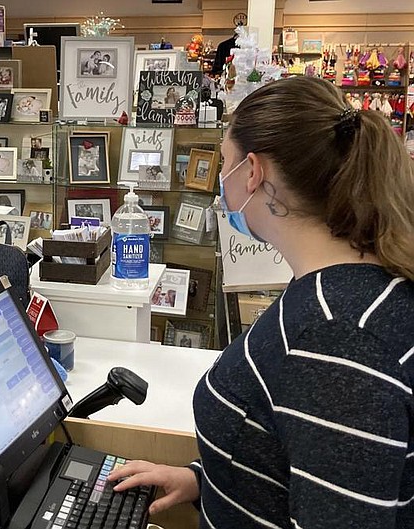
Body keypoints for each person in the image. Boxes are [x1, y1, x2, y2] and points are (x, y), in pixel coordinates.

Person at [109, 76, 414, 528]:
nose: (220, 182)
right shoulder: (346, 289)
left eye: (224, 164)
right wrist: (212, 478)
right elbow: (309, 452)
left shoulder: (337, 336)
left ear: (253, 172)